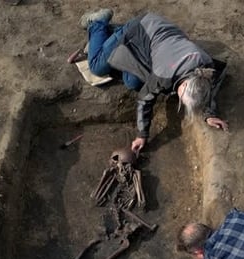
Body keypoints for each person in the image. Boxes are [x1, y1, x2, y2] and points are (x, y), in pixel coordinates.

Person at [79, 9, 229, 154]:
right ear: (184, 84)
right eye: (182, 99)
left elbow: (210, 85)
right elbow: (145, 99)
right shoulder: (164, 75)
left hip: (158, 35)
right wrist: (141, 135)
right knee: (97, 66)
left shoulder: (206, 67)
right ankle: (98, 23)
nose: (181, 102)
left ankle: (109, 37)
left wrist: (209, 114)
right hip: (139, 30)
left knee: (132, 83)